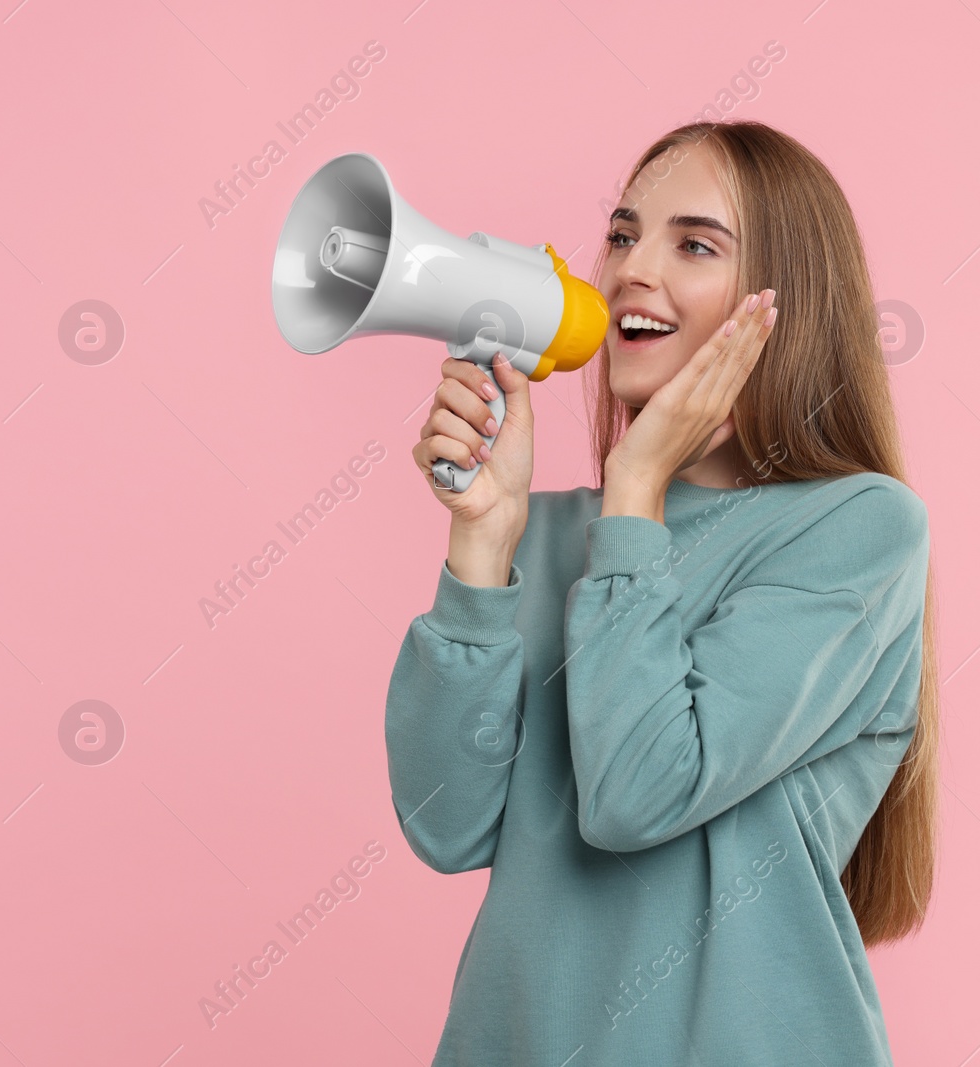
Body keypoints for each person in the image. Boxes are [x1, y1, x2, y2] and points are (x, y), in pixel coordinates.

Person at [388, 119, 940, 1065]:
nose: (631, 269)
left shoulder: (861, 528)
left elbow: (638, 794)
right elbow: (446, 823)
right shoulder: (551, 528)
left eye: (692, 244)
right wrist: (482, 540)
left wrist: (635, 490)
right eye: (622, 233)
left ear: (783, 303)